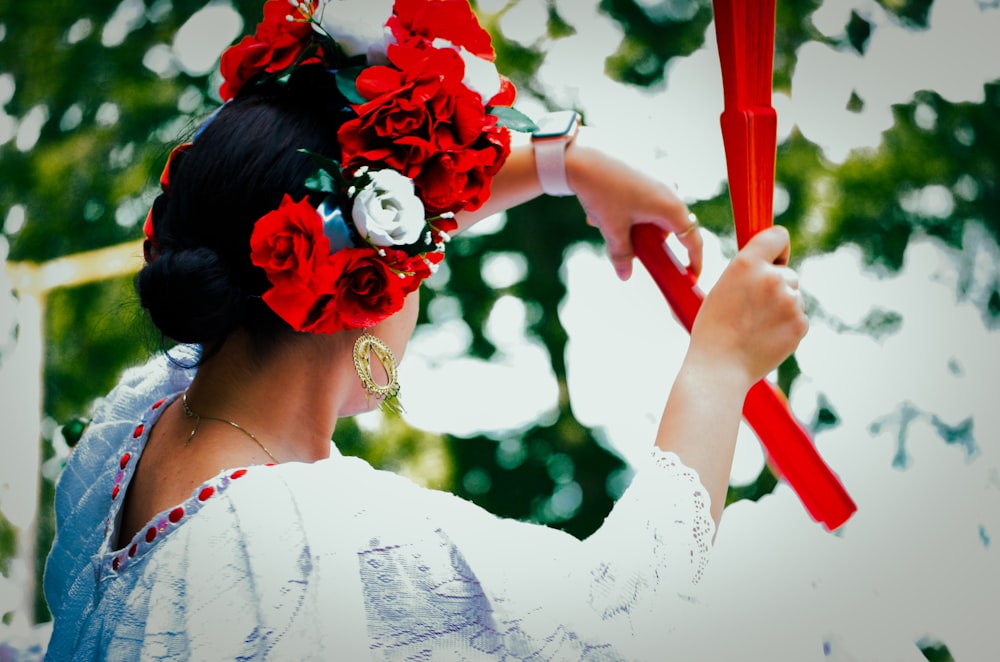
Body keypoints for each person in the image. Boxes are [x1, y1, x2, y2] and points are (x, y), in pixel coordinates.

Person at [43, 0, 808, 659]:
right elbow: (624, 618)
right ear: (370, 282)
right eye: (425, 259)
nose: (431, 264)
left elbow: (354, 211)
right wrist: (721, 364)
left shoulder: (129, 430)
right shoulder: (312, 543)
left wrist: (561, 163)